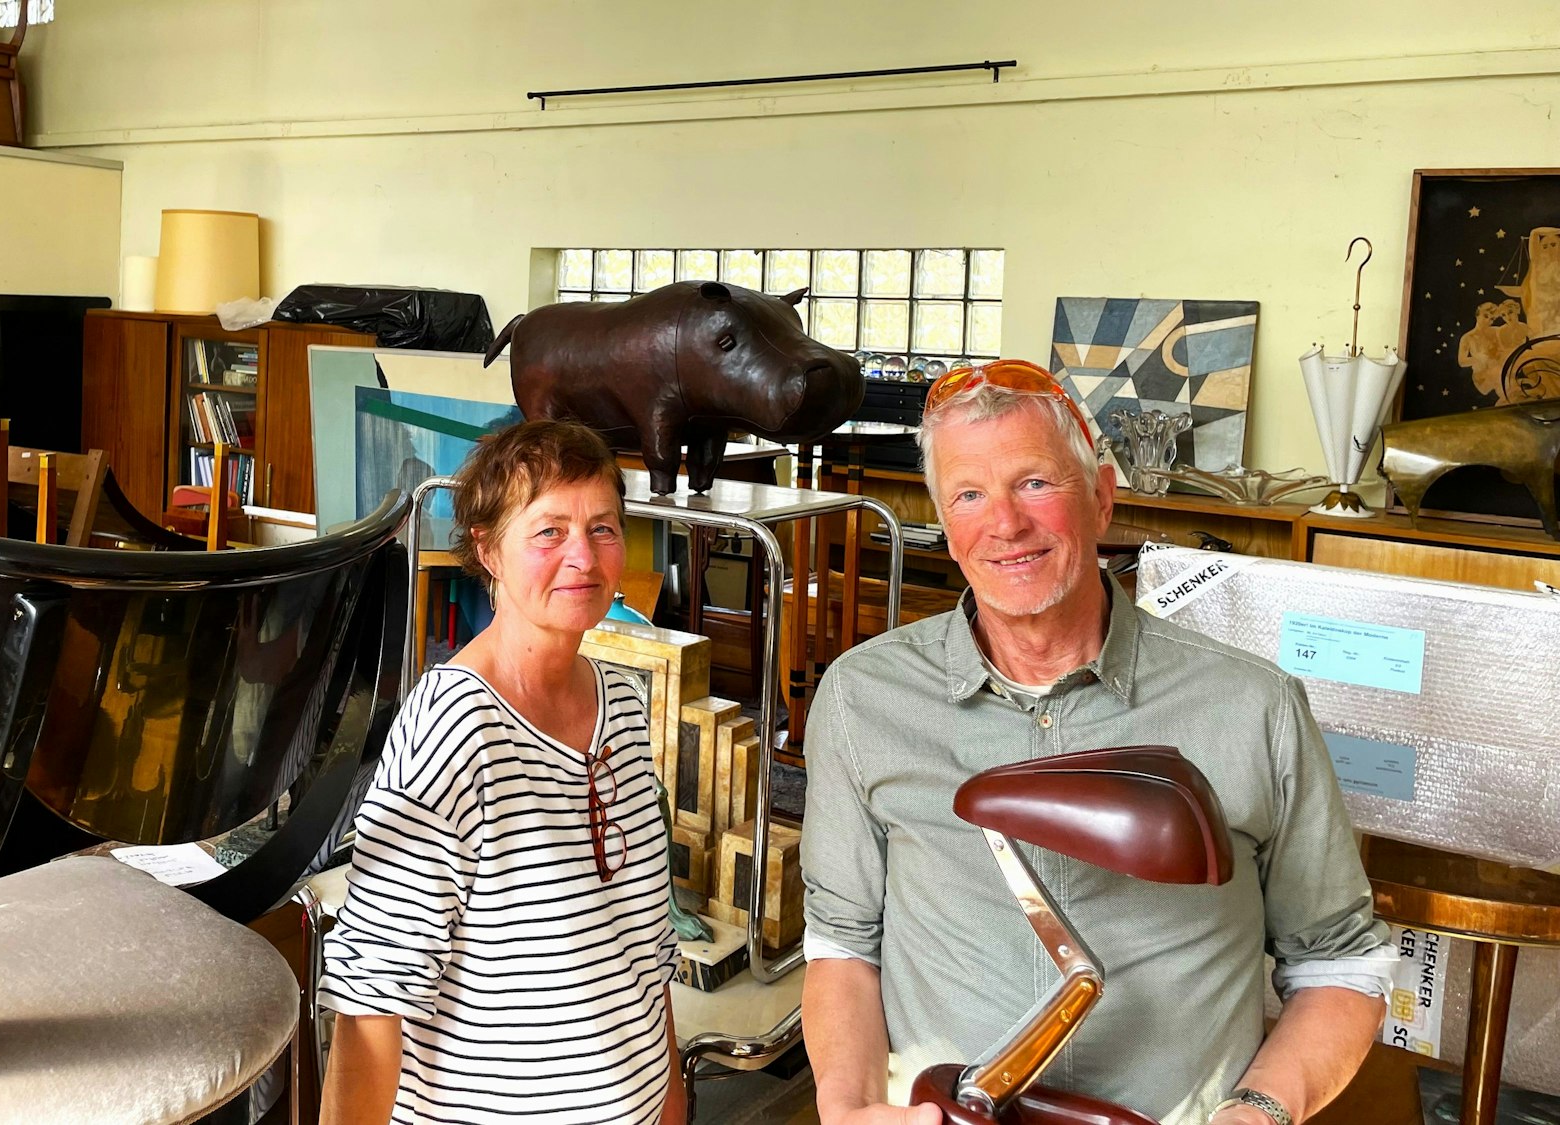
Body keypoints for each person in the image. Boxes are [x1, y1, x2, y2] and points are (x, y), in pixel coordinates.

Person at [800, 359, 1394, 1125]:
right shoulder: (864, 699)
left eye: (1035, 483)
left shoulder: (1255, 706)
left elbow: (1341, 963)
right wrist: (846, 1108)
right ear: (946, 529)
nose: (1005, 523)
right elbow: (843, 945)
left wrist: (1257, 1112)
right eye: (969, 495)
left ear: (1103, 499)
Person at [319, 419, 682, 1125]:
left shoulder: (623, 708)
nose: (583, 554)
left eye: (603, 528)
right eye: (549, 531)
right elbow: (372, 1001)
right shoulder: (453, 728)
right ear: (487, 548)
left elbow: (645, 947)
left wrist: (669, 1099)